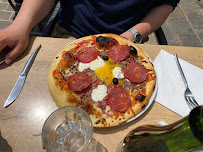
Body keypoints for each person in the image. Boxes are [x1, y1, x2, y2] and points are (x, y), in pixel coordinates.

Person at [0, 0, 179, 65]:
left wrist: (130, 36)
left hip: (125, 39)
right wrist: (20, 26)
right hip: (70, 33)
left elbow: (164, 4)